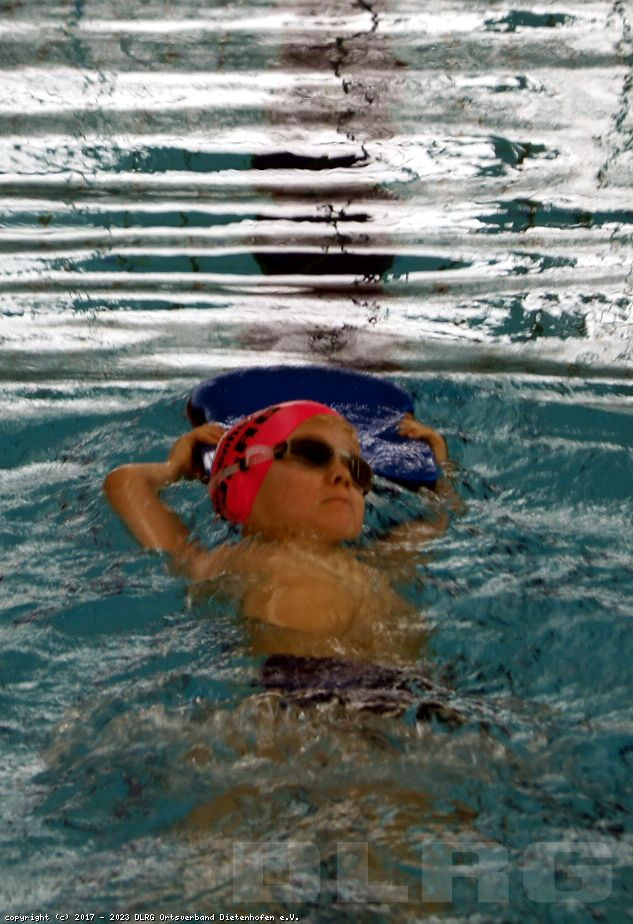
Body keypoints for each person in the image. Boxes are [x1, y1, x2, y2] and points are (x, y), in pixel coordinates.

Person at [104, 400, 457, 662]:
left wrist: (439, 462)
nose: (343, 475)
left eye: (357, 469)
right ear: (243, 477)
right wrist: (175, 467)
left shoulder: (376, 561)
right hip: (298, 701)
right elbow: (125, 484)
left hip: (413, 699)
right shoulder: (233, 560)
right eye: (313, 454)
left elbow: (441, 518)